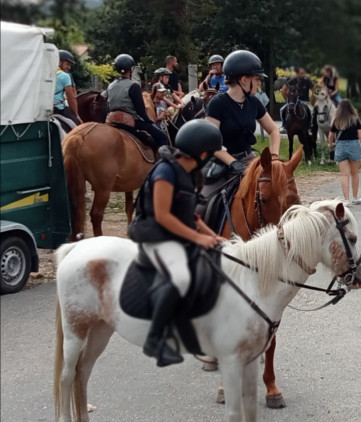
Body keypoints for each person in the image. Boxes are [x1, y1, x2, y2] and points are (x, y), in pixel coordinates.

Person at [128, 119, 228, 366]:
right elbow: (162, 216)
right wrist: (197, 238)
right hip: (153, 234)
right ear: (203, 153)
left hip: (174, 233)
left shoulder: (189, 174)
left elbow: (190, 215)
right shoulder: (165, 172)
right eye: (212, 155)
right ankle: (155, 338)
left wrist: (212, 235)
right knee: (181, 278)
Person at [204, 50, 281, 230]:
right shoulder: (217, 104)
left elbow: (274, 130)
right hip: (222, 163)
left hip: (248, 160)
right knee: (205, 200)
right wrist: (233, 163)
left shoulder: (254, 103)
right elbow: (211, 141)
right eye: (257, 78)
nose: (259, 82)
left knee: (276, 191)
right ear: (244, 80)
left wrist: (275, 157)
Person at [105, 53, 169, 149]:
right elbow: (141, 110)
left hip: (111, 120)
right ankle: (162, 163)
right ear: (131, 69)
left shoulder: (110, 86)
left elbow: (108, 105)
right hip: (131, 121)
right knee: (163, 138)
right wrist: (150, 121)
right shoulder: (134, 86)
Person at [328, 101, 361, 204]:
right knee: (354, 173)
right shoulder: (355, 119)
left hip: (340, 146)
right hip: (354, 145)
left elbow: (331, 135)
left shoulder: (336, 120)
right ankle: (355, 197)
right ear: (351, 108)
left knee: (344, 175)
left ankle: (346, 199)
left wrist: (331, 144)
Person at [279, 66, 315, 130]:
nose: (303, 75)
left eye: (304, 73)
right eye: (301, 73)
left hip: (304, 101)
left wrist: (311, 101)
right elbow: (283, 90)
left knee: (311, 110)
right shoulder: (293, 80)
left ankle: (310, 126)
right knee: (282, 110)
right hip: (294, 101)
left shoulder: (307, 80)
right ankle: (284, 125)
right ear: (297, 73)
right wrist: (287, 99)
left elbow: (314, 91)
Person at [53, 50, 81, 126]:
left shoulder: (45, 73)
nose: (69, 67)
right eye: (67, 64)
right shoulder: (64, 76)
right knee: (78, 126)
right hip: (59, 109)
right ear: (59, 62)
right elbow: (71, 98)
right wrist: (76, 115)